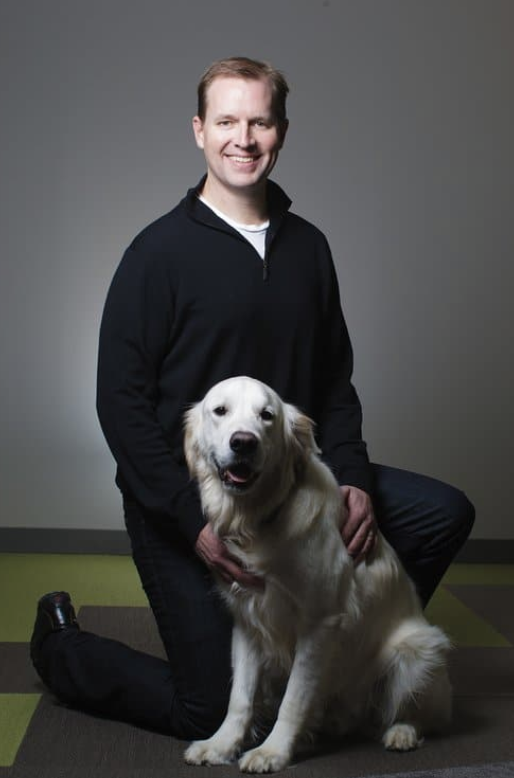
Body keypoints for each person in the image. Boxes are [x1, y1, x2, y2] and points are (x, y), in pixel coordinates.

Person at [30, 56, 474, 740]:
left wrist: (353, 476)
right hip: (187, 502)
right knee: (208, 711)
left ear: (281, 132)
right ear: (199, 130)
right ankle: (61, 648)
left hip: (288, 487)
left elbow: (334, 383)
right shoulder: (157, 253)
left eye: (260, 122)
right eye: (227, 121)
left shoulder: (309, 248)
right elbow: (119, 403)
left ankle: (332, 658)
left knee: (442, 513)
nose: (244, 138)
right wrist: (189, 520)